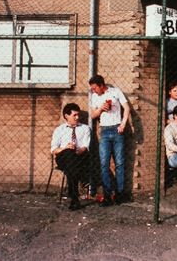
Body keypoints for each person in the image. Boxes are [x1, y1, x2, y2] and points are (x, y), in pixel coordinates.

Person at [89, 75, 130, 206]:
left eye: (95, 88)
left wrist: (123, 124)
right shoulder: (95, 97)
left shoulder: (116, 91)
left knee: (119, 163)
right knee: (104, 164)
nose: (93, 91)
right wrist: (100, 108)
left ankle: (120, 194)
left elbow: (127, 108)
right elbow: (93, 115)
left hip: (118, 129)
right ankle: (107, 195)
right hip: (105, 131)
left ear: (101, 85)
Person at [51, 103, 91, 211]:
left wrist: (78, 150)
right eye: (74, 115)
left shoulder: (85, 128)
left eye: (78, 115)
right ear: (66, 116)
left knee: (71, 167)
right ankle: (83, 179)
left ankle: (74, 199)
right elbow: (54, 149)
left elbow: (86, 147)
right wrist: (66, 148)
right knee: (69, 153)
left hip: (79, 157)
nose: (77, 117)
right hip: (63, 157)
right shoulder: (59, 130)